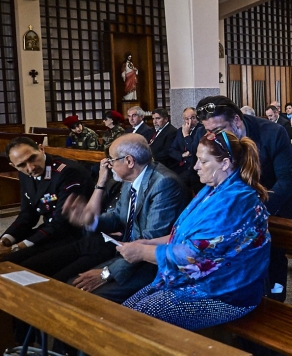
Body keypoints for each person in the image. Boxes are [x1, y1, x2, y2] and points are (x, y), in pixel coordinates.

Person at [118, 131, 271, 330]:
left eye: (203, 161)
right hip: (203, 283)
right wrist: (148, 243)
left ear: (224, 164)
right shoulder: (213, 190)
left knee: (135, 321)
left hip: (227, 293)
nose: (196, 166)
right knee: (124, 312)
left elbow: (194, 254)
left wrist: (141, 252)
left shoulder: (236, 201)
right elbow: (184, 237)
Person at [195, 95, 292, 302]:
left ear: (236, 120)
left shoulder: (272, 133)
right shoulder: (208, 133)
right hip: (233, 212)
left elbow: (288, 178)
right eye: (207, 130)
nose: (211, 136)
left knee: (273, 267)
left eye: (217, 130)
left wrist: (255, 208)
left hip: (274, 209)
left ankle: (276, 308)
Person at [61, 134, 187, 303]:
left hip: (150, 266)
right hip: (127, 256)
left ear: (129, 161)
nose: (108, 165)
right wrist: (91, 219)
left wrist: (107, 273)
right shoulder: (131, 179)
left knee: (84, 298)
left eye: (111, 159)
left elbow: (150, 241)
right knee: (69, 285)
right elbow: (118, 217)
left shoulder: (164, 184)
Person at [0, 137, 91, 263]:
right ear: (14, 166)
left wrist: (17, 247)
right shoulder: (24, 174)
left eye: (32, 158)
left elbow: (62, 223)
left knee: (15, 261)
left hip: (73, 234)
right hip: (50, 230)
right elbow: (27, 214)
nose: (31, 168)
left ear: (41, 149)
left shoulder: (67, 172)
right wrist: (5, 240)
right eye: (21, 165)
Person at [169, 107, 206, 194]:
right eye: (187, 119)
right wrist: (182, 155)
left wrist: (186, 135)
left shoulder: (201, 130)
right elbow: (172, 150)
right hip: (181, 165)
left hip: (194, 166)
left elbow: (194, 150)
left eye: (193, 117)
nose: (190, 121)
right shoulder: (180, 131)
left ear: (197, 117)